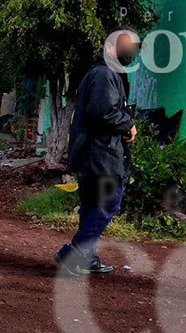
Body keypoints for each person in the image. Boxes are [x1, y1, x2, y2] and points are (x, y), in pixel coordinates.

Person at [55, 29, 141, 276]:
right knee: (108, 203)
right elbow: (102, 111)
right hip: (100, 154)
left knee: (93, 206)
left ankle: (87, 257)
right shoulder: (104, 73)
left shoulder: (104, 72)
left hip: (96, 153)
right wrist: (127, 124)